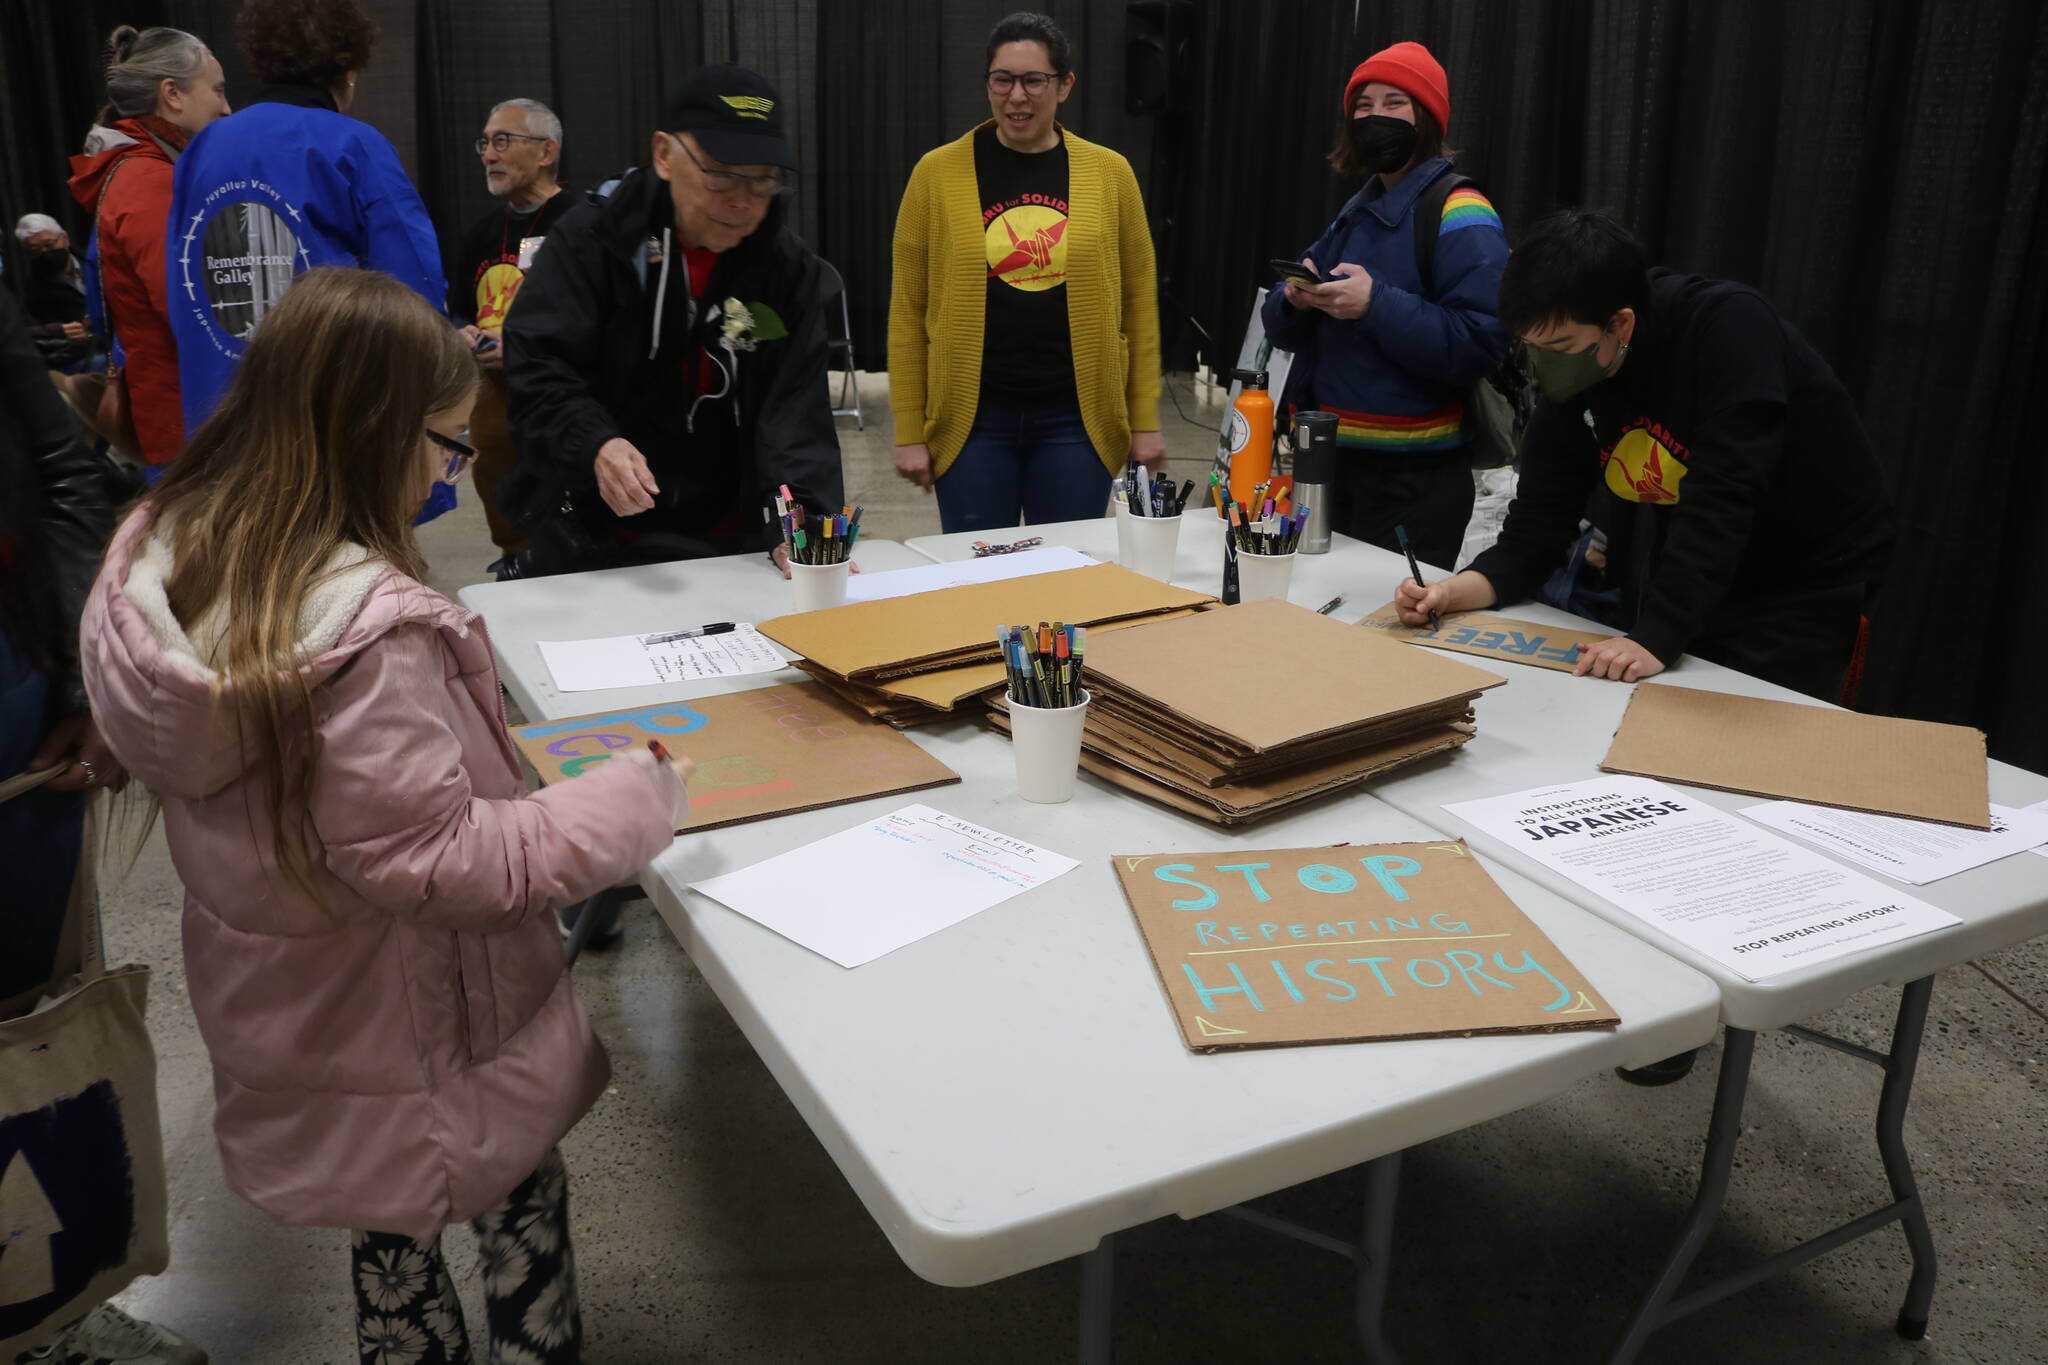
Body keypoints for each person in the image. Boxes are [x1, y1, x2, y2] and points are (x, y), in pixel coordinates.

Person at [79, 268, 693, 1363]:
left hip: (319, 1019)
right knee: (518, 1208)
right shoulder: (368, 633)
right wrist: (627, 804)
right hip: (429, 1021)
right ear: (372, 429)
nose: (453, 476)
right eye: (448, 445)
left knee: (393, 1241)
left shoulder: (181, 559)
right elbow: (440, 860)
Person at [1396, 208, 1895, 703]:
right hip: (1704, 570)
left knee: (1760, 730)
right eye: (1532, 346)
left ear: (1621, 324)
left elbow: (1722, 499)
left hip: (1808, 572)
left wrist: (1657, 634)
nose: (1545, 364)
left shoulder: (1728, 329)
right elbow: (1537, 526)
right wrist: (1454, 592)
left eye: (1561, 345)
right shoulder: (1576, 373)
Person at [1, 253, 206, 1365]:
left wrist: (85, 683)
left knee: (34, 1009)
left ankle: (45, 1314)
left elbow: (61, 465)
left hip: (14, 702)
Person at [500, 65, 842, 577]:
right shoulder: (594, 241)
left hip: (732, 530)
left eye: (762, 180)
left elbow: (794, 411)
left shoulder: (783, 267)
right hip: (598, 520)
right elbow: (539, 366)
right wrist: (595, 443)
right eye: (720, 174)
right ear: (664, 154)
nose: (742, 200)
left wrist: (800, 523)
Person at [888, 11, 1163, 533]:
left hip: (1076, 421)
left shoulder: (1110, 174)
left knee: (1063, 571)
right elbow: (907, 312)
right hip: (972, 423)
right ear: (988, 84)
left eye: (1034, 80)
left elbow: (1138, 305)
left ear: (1064, 86)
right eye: (1003, 80)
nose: (1017, 96)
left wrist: (1144, 419)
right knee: (977, 570)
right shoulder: (936, 174)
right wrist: (909, 428)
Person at [1261, 40, 1510, 571]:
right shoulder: (1360, 209)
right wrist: (1295, 301)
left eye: (1395, 103)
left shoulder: (1461, 213)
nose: (1375, 117)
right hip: (1332, 464)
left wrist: (1375, 304)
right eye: (1363, 105)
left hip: (1412, 482)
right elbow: (1281, 330)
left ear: (1428, 117)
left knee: (1387, 618)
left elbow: (1482, 342)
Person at [164, 0, 442, 454]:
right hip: (328, 412)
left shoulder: (201, 150)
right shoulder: (352, 144)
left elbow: (182, 282)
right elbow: (412, 286)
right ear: (348, 69)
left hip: (223, 414)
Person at [66, 25, 233, 469]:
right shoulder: (149, 181)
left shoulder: (146, 172)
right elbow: (189, 309)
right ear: (172, 94)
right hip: (192, 428)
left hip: (185, 419)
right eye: (217, 91)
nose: (226, 108)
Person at [449, 97, 572, 571]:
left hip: (556, 399)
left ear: (546, 151)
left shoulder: (580, 223)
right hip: (493, 400)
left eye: (502, 141)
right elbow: (460, 306)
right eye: (484, 143)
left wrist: (520, 348)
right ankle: (514, 559)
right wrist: (461, 330)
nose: (488, 155)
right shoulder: (481, 232)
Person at [12, 215, 96, 372]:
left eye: (49, 244)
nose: (44, 252)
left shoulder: (94, 264)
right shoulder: (32, 287)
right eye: (35, 250)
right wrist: (58, 330)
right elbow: (22, 330)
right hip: (76, 354)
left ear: (65, 238)